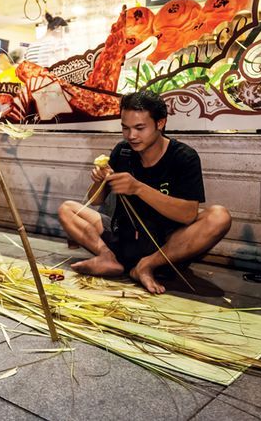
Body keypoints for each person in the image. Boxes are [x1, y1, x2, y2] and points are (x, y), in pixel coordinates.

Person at [57, 90, 232, 294]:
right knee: (67, 209)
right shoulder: (122, 151)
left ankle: (147, 265)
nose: (131, 136)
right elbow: (95, 201)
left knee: (219, 216)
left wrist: (138, 188)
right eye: (125, 128)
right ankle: (108, 257)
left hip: (166, 245)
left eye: (140, 128)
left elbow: (187, 215)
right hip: (124, 237)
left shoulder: (183, 157)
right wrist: (99, 181)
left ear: (160, 123)